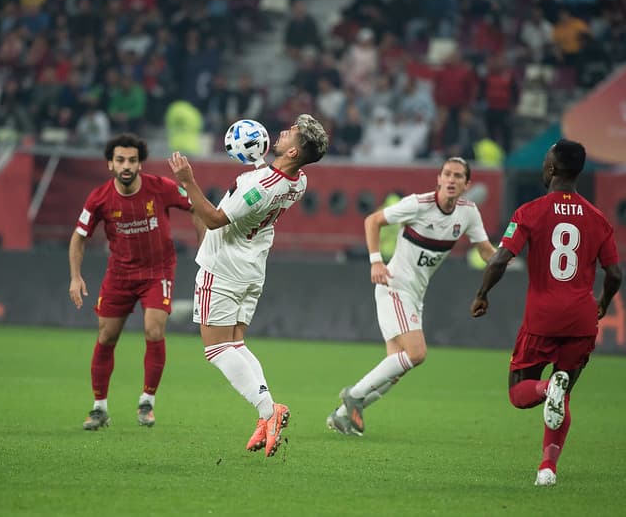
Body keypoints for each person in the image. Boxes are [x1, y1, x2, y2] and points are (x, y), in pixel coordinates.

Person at [167, 114, 329, 457]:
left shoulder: (260, 187)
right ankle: (263, 414)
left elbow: (213, 220)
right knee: (237, 345)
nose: (285, 131)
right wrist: (256, 169)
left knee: (216, 350)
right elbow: (268, 179)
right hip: (252, 269)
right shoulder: (299, 182)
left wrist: (187, 181)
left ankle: (270, 410)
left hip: (223, 269)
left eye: (293, 133)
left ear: (295, 152)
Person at [471, 140, 621, 487]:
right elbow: (614, 275)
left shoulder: (530, 212)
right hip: (582, 320)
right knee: (562, 396)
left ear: (552, 169)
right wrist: (602, 303)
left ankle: (545, 388)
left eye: (545, 161)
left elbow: (500, 259)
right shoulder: (598, 219)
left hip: (542, 318)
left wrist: (482, 294)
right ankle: (547, 468)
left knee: (521, 392)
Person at [327, 157, 497, 436]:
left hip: (415, 295)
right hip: (394, 286)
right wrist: (375, 261)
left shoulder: (467, 213)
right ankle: (354, 395)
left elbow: (486, 252)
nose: (451, 180)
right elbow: (373, 221)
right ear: (439, 179)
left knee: (396, 369)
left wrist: (510, 257)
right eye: (447, 174)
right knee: (417, 354)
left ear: (467, 184)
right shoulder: (419, 204)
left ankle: (342, 416)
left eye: (457, 176)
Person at [69, 133, 203, 430]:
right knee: (106, 337)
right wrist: (75, 277)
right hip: (119, 275)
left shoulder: (161, 188)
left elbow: (197, 208)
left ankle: (147, 402)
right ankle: (99, 408)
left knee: (154, 330)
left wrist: (205, 247)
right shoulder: (99, 198)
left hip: (158, 271)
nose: (126, 165)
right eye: (120, 160)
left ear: (140, 163)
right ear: (110, 164)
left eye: (132, 160)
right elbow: (78, 237)